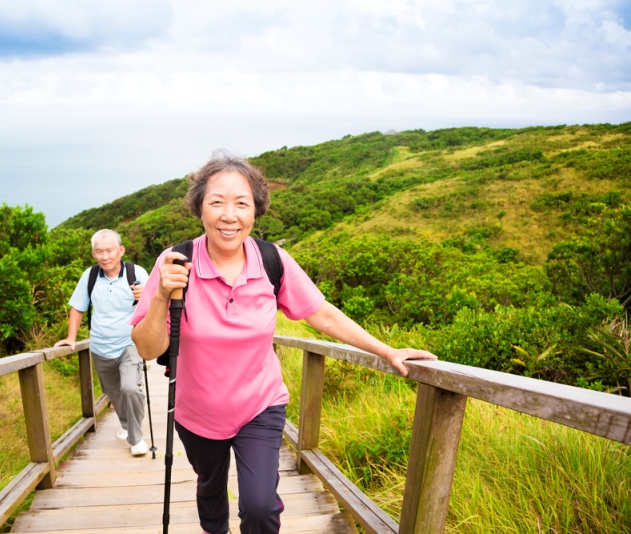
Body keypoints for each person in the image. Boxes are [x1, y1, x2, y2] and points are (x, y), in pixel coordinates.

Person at [129, 152, 438, 534]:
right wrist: (160, 295)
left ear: (256, 211)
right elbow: (146, 348)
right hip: (197, 412)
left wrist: (385, 349)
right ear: (200, 208)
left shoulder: (272, 261)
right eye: (217, 202)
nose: (230, 215)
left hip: (260, 404)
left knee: (259, 507)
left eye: (242, 203)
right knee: (210, 486)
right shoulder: (176, 262)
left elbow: (321, 314)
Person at [55, 229, 150, 456]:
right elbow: (78, 307)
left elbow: (155, 303)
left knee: (129, 388)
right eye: (99, 251)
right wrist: (71, 338)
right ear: (93, 253)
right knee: (114, 392)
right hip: (100, 346)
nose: (105, 256)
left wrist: (145, 294)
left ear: (121, 250)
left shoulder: (136, 273)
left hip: (131, 342)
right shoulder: (89, 276)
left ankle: (136, 439)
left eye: (109, 250)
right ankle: (126, 424)